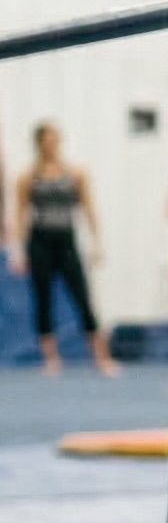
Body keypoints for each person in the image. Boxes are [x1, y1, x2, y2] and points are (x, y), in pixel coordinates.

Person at [6, 121, 118, 375]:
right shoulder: (28, 177)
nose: (52, 145)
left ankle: (101, 357)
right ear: (39, 143)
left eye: (55, 139)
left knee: (82, 296)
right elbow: (21, 214)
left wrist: (96, 243)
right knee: (43, 298)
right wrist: (18, 252)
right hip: (40, 241)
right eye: (47, 140)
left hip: (66, 240)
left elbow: (88, 208)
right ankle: (51, 359)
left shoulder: (75, 174)